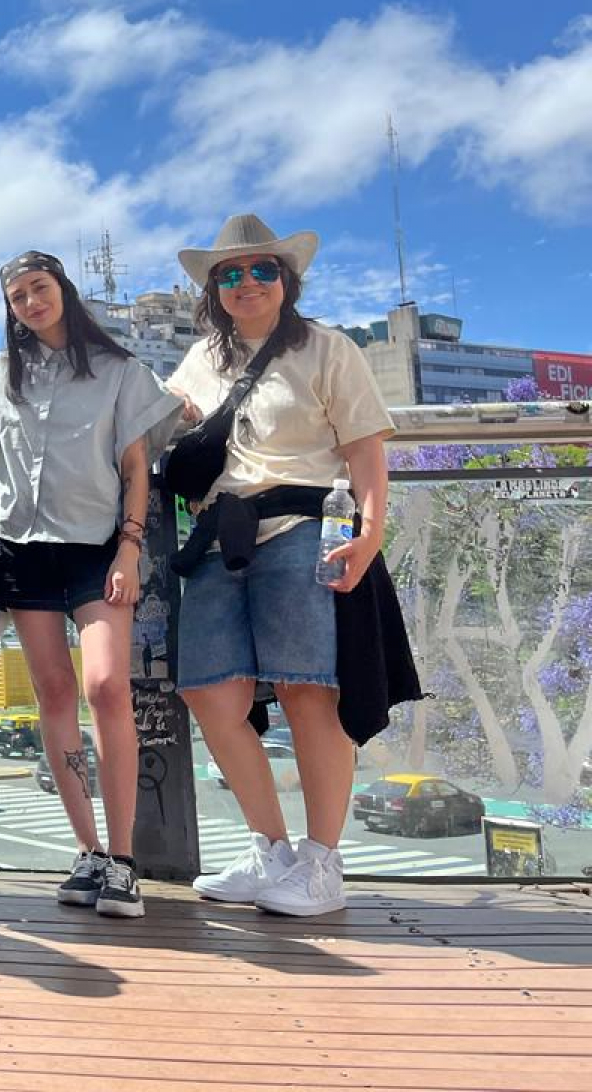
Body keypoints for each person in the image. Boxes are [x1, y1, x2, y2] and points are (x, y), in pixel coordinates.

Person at [166, 215, 396, 918]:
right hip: (217, 532)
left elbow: (364, 452)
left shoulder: (327, 348)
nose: (245, 283)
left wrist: (370, 533)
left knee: (308, 691)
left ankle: (323, 864)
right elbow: (154, 422)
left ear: (286, 280)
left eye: (261, 269)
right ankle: (272, 851)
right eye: (229, 274)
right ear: (213, 290)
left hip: (303, 526)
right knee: (210, 692)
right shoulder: (200, 358)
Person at [0, 252, 182, 918]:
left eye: (38, 289)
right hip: (22, 548)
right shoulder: (3, 372)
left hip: (99, 550)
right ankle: (88, 852)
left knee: (105, 686)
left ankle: (125, 858)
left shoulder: (120, 372)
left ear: (63, 292)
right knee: (53, 691)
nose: (28, 303)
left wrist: (130, 551)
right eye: (16, 296)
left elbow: (137, 468)